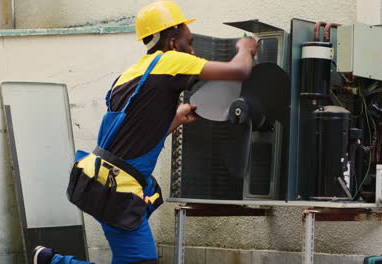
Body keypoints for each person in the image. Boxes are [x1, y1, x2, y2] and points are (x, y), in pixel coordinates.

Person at [33, 1, 257, 264]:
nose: (193, 49)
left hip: (100, 182)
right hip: (118, 190)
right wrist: (246, 48)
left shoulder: (129, 76)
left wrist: (174, 120)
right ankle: (53, 262)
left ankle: (50, 261)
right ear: (173, 42)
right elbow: (238, 71)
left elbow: (132, 135)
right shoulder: (172, 61)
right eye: (189, 41)